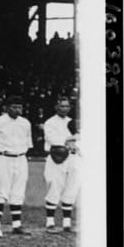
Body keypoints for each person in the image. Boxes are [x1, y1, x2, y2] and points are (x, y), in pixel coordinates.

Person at [0, 95, 32, 237]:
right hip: (2, 158)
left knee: (18, 190)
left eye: (19, 107)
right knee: (0, 190)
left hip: (20, 158)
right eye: (14, 107)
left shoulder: (25, 123)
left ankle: (17, 225)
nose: (17, 110)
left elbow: (28, 143)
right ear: (7, 108)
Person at [41, 97, 79, 233]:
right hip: (57, 156)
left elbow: (81, 139)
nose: (64, 109)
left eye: (67, 106)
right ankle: (50, 222)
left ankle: (67, 222)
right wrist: (69, 139)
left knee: (71, 188)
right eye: (62, 106)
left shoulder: (73, 122)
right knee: (54, 186)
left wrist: (75, 141)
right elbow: (53, 139)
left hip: (73, 157)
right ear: (56, 107)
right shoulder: (50, 122)